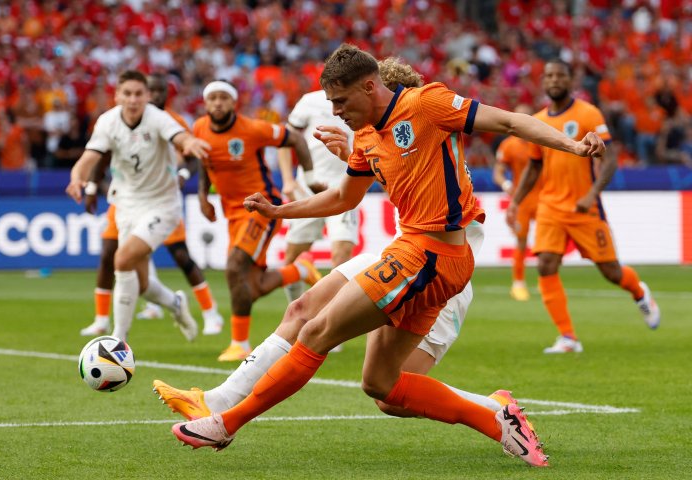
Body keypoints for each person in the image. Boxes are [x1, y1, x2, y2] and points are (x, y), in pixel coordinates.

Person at [167, 44, 605, 467]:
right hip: (410, 249)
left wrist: (573, 146)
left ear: (370, 87)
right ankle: (494, 416)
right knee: (379, 386)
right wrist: (281, 210)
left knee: (317, 330)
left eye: (340, 101)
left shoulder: (428, 104)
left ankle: (226, 422)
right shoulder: (366, 137)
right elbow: (343, 196)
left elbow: (508, 121)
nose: (335, 111)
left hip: (436, 256)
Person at [152, 58, 510, 423]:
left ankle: (495, 410)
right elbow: (394, 182)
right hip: (402, 254)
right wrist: (353, 158)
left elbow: (422, 187)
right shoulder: (384, 139)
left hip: (440, 280)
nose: (344, 112)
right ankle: (217, 401)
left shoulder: (430, 131)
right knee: (302, 311)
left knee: (389, 395)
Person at [506, 59, 661, 355]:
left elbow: (610, 159)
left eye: (559, 75)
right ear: (543, 82)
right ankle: (568, 338)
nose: (553, 80)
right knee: (545, 264)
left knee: (611, 271)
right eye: (548, 75)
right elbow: (534, 166)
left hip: (583, 208)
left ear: (570, 79)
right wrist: (515, 201)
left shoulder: (588, 113)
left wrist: (591, 194)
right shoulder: (537, 120)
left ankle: (640, 293)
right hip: (550, 206)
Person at [67, 70, 211, 343]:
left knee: (121, 259)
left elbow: (180, 138)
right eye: (127, 94)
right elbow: (90, 157)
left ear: (146, 96)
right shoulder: (108, 122)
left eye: (138, 94)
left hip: (161, 205)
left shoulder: (158, 118)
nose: (133, 100)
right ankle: (175, 303)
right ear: (117, 96)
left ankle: (117, 340)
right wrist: (77, 178)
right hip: (126, 205)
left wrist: (190, 142)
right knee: (142, 284)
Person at [193, 80, 324, 362]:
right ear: (205, 103)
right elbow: (204, 163)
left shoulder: (252, 129)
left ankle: (240, 344)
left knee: (233, 267)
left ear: (233, 102)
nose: (217, 103)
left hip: (260, 208)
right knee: (252, 288)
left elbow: (296, 139)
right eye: (212, 98)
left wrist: (311, 178)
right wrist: (203, 196)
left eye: (223, 98)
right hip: (231, 214)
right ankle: (300, 269)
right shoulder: (199, 128)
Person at [277, 86, 358, 303]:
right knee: (292, 259)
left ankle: (332, 321)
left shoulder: (363, 101)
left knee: (342, 254)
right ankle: (293, 309)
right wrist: (288, 180)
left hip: (346, 187)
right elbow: (286, 141)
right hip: (308, 189)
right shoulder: (309, 101)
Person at [492, 104, 539, 301]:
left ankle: (546, 281)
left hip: (545, 197)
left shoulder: (539, 141)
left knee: (548, 243)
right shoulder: (509, 145)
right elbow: (498, 172)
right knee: (521, 240)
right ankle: (518, 283)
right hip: (522, 199)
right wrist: (506, 184)